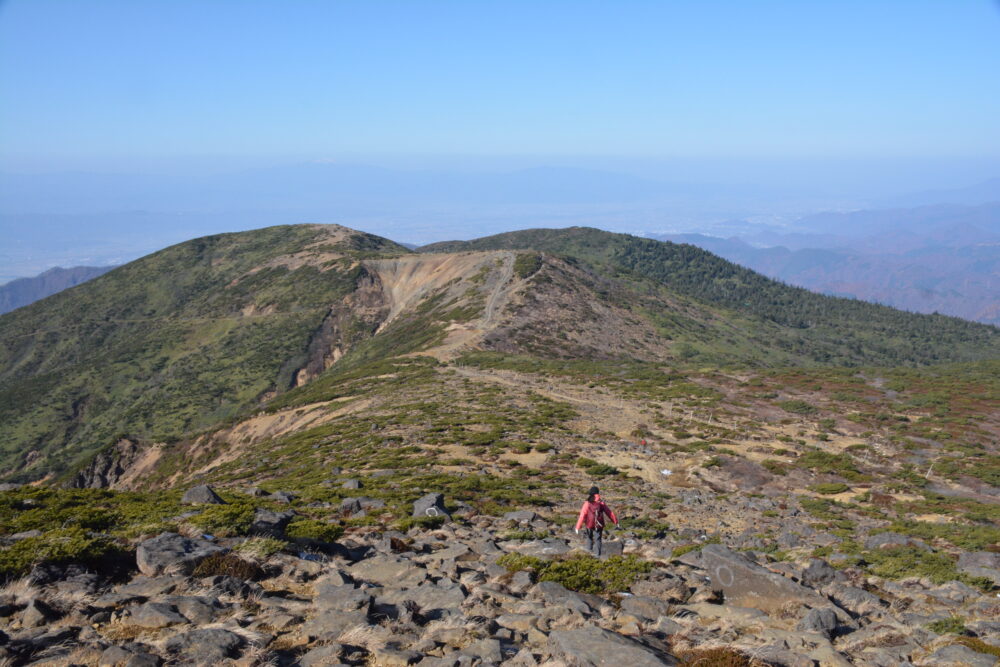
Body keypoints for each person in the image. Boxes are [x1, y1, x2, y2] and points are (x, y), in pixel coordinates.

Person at [574, 485, 619, 556]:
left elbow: (582, 515)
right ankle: (597, 555)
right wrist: (616, 521)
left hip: (589, 524)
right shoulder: (601, 503)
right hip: (599, 525)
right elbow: (609, 513)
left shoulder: (587, 503)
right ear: (598, 493)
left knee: (589, 538)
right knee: (598, 540)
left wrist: (578, 527)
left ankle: (588, 554)